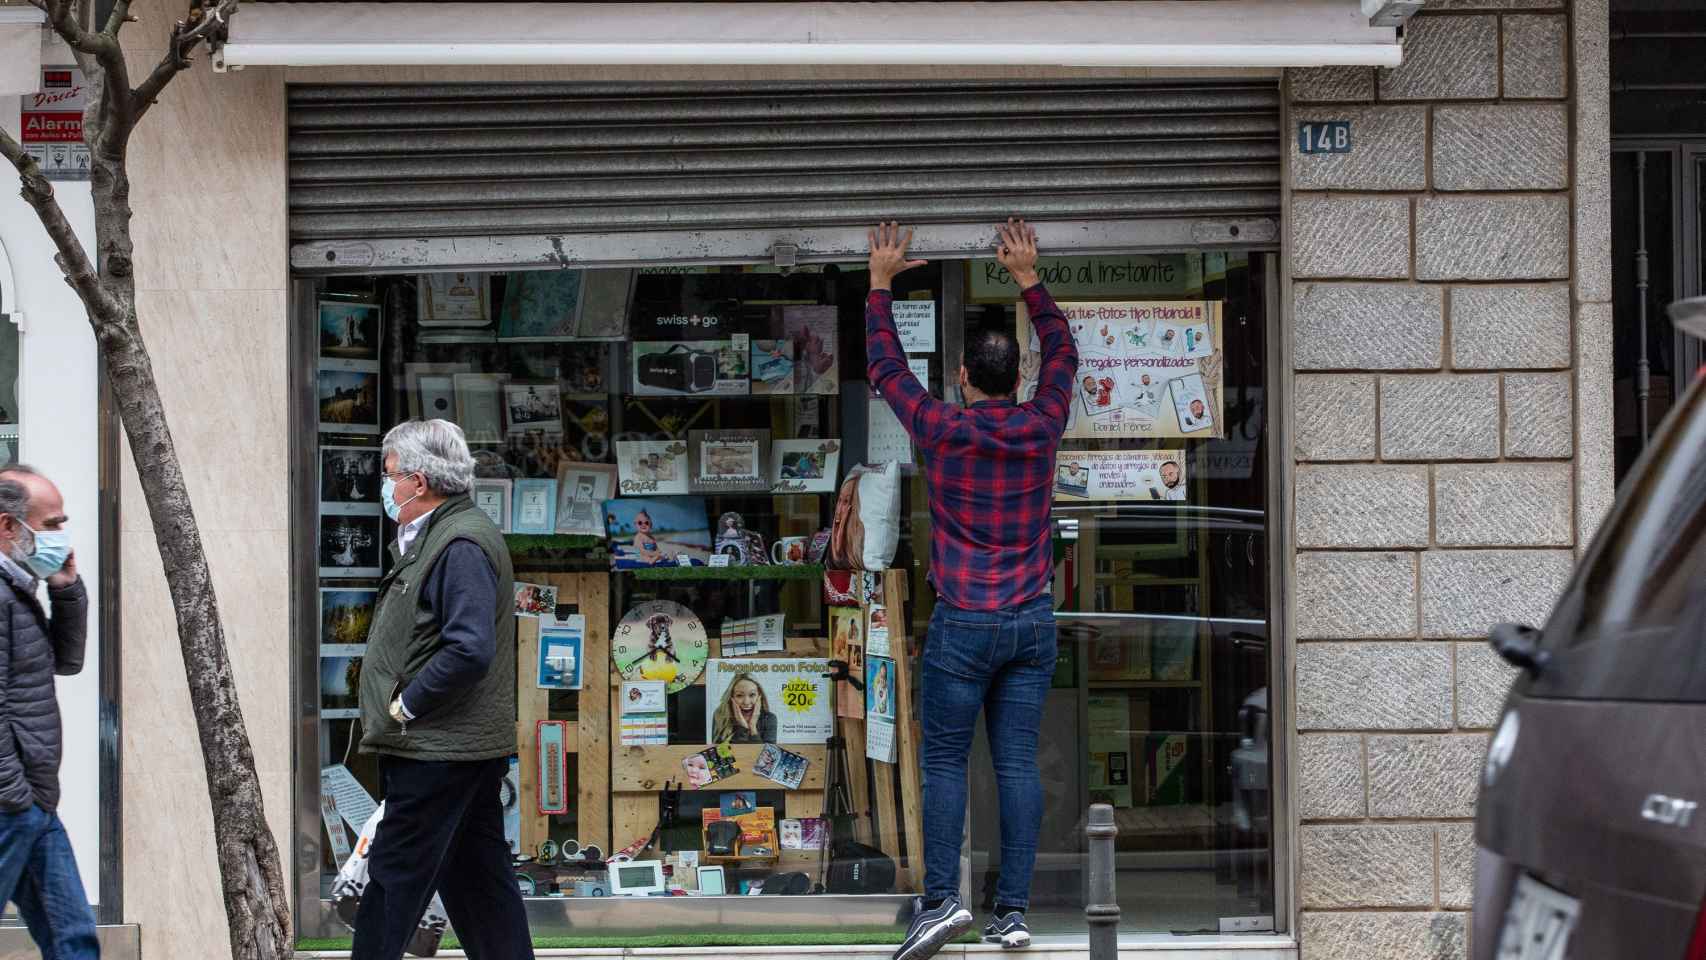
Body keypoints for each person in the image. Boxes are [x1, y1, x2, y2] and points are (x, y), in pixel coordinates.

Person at [866, 220, 1077, 959]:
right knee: (1017, 762)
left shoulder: (940, 429)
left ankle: (942, 905)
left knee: (946, 763)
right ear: (1015, 379)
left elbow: (887, 372)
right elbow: (1066, 355)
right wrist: (1029, 278)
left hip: (963, 626)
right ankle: (1012, 913)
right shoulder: (1042, 423)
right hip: (1029, 622)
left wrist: (881, 282)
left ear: (961, 377)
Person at [353, 419, 532, 960]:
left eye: (391, 476)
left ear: (422, 481)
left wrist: (407, 705)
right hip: (455, 747)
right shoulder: (441, 535)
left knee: (392, 880)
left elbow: (469, 648)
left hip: (436, 748)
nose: (386, 487)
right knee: (481, 885)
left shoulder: (459, 543)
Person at [0, 466, 96, 960]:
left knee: (73, 938)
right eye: (52, 524)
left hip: (33, 803)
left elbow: (67, 660)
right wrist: (14, 794)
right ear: (8, 527)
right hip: (12, 803)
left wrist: (66, 587)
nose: (61, 535)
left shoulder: (19, 587)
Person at [712, 673, 778, 743]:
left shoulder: (769, 718)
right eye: (739, 695)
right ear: (731, 697)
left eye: (752, 695)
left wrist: (752, 727)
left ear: (759, 696)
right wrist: (743, 727)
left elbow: (767, 753)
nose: (746, 702)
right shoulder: (720, 715)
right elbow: (720, 752)